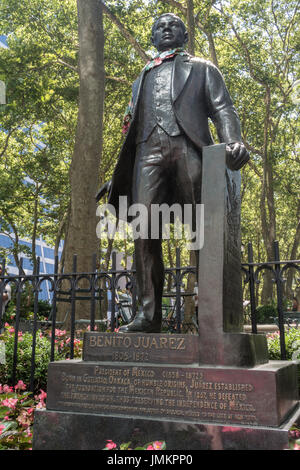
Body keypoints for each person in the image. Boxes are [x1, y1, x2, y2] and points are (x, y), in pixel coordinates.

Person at [98, 13, 249, 333]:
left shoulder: (202, 68)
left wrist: (233, 142)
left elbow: (223, 108)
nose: (166, 30)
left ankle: (212, 315)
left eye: (173, 26)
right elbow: (130, 130)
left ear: (184, 36)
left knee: (202, 232)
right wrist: (119, 177)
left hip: (190, 151)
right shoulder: (142, 78)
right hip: (147, 156)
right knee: (144, 233)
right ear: (152, 38)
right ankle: (148, 315)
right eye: (159, 28)